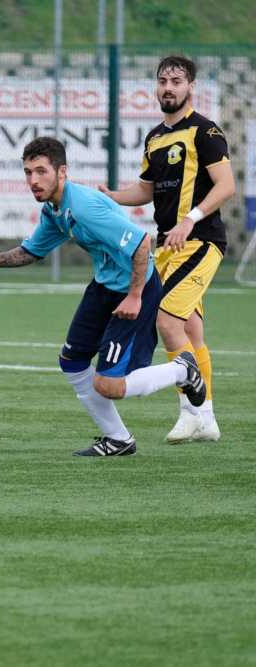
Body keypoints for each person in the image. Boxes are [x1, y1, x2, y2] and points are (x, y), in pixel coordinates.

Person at [0, 137, 206, 456]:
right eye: (27, 172)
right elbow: (32, 250)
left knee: (111, 385)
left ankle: (183, 369)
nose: (33, 180)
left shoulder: (83, 207)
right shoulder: (54, 209)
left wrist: (135, 296)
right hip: (104, 287)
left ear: (61, 172)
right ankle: (118, 440)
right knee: (72, 361)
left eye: (41, 171)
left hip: (137, 289)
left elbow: (142, 244)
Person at [99, 55, 234, 443]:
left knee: (166, 319)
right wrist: (112, 196)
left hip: (201, 241)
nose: (169, 87)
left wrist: (190, 218)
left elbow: (226, 186)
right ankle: (206, 419)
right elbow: (145, 189)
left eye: (177, 81)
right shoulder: (156, 137)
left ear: (191, 87)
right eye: (163, 81)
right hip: (169, 246)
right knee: (190, 329)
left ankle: (191, 411)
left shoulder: (205, 132)